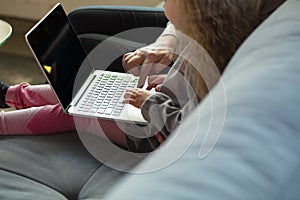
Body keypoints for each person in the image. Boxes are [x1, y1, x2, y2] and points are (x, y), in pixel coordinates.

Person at [0, 0, 286, 153]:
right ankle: (9, 94)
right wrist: (163, 85)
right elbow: (185, 90)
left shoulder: (210, 60)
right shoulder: (199, 41)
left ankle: (3, 123)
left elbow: (186, 125)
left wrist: (151, 102)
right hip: (152, 108)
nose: (163, 8)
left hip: (149, 134)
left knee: (73, 112)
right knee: (83, 89)